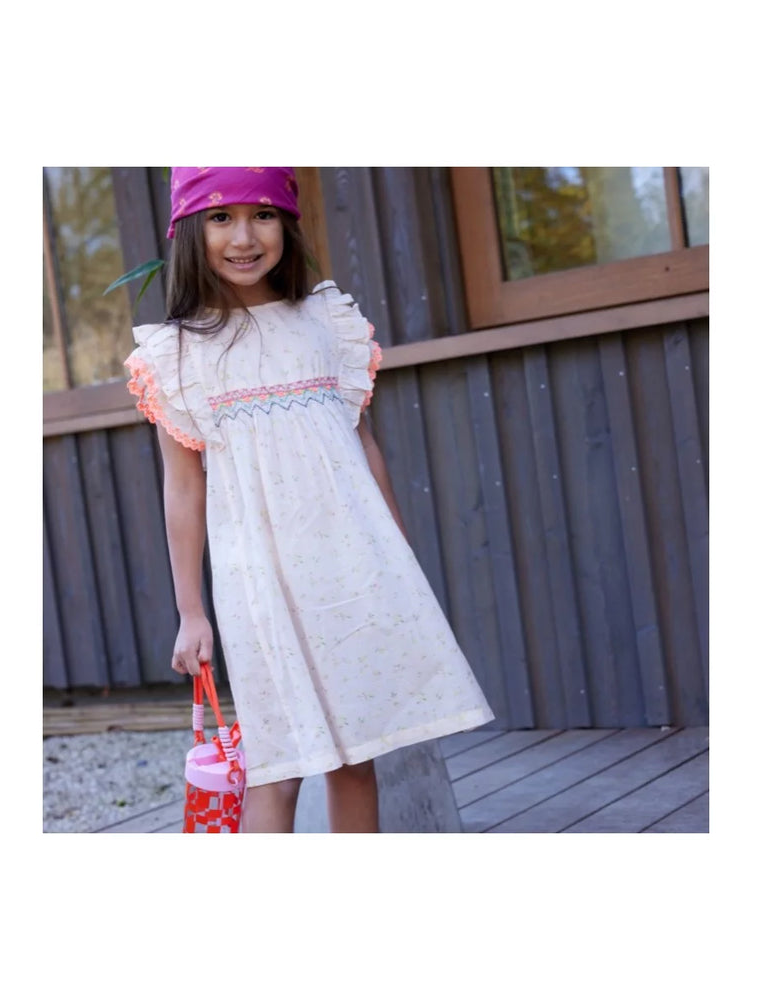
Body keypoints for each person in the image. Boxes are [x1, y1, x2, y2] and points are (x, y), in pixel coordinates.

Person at [124, 167, 494, 833]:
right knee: (278, 764)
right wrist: (190, 611)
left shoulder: (325, 321)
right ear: (190, 230)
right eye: (221, 217)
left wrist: (398, 555)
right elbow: (183, 486)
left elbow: (362, 445)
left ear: (287, 224)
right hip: (259, 581)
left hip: (349, 570)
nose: (244, 237)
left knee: (355, 755)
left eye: (263, 215)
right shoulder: (175, 354)